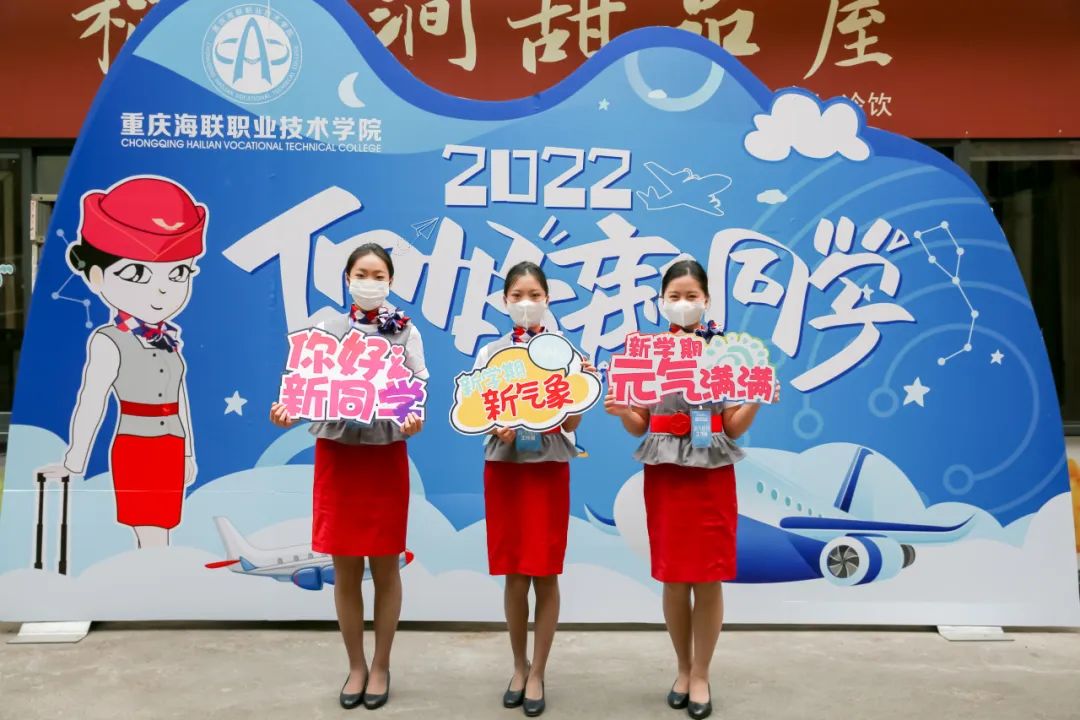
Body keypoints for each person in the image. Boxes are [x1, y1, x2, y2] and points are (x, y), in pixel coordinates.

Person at [605, 259, 770, 720]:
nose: (682, 304)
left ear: (707, 300)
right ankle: (682, 668)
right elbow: (639, 424)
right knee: (675, 576)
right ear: (661, 301)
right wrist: (622, 411)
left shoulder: (727, 352)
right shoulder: (646, 352)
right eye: (674, 296)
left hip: (711, 473)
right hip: (665, 473)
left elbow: (732, 427)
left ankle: (702, 674)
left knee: (708, 576)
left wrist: (756, 395)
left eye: (691, 296)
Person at [269, 243, 425, 711]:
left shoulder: (405, 330)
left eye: (379, 275)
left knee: (385, 566)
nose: (369, 282)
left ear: (391, 282)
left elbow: (417, 388)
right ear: (347, 278)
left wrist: (413, 417)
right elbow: (302, 387)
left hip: (384, 456)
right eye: (362, 273)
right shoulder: (326, 329)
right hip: (338, 456)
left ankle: (381, 665)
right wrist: (286, 411)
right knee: (346, 570)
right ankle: (355, 665)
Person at [42, 176, 204, 549]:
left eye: (178, 273)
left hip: (172, 446)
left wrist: (188, 451)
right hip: (137, 446)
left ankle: (156, 578)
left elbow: (180, 398)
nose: (162, 289)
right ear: (97, 277)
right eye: (137, 274)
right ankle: (155, 580)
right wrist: (74, 462)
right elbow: (91, 402)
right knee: (149, 530)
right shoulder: (109, 340)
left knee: (164, 527)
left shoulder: (167, 338)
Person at [476, 261, 592, 718]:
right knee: (513, 573)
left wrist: (581, 387)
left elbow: (573, 423)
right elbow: (477, 410)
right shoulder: (491, 353)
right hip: (505, 467)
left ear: (547, 299)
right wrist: (496, 424)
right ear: (505, 301)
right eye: (517, 295)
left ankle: (539, 671)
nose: (526, 303)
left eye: (534, 295)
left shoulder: (565, 351)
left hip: (548, 467)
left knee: (544, 572)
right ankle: (518, 667)